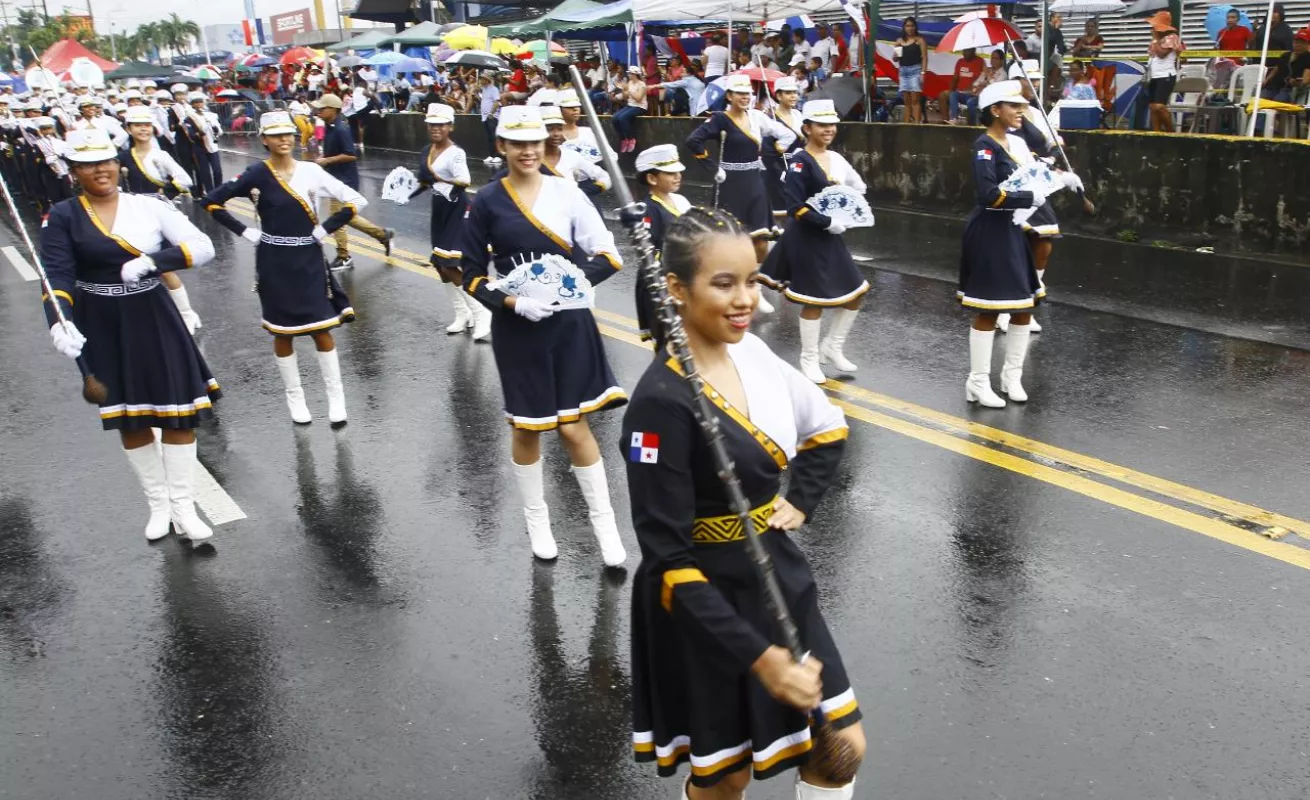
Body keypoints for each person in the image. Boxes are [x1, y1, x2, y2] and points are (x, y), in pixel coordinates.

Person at [622, 205, 864, 800]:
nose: (745, 300)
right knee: (725, 777)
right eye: (724, 283)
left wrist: (800, 500)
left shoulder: (752, 353)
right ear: (676, 289)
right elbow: (667, 561)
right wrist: (760, 657)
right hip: (701, 603)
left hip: (775, 576)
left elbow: (826, 427)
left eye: (752, 280)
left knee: (840, 751)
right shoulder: (658, 406)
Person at [460, 105, 628, 567]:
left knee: (574, 425)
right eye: (517, 143)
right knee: (527, 425)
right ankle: (537, 521)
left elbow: (608, 254)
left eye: (534, 142)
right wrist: (513, 302)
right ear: (502, 146)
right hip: (518, 327)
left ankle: (606, 527)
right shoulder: (486, 200)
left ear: (545, 143)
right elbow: (470, 274)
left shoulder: (568, 192)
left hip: (570, 322)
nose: (527, 151)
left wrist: (567, 286)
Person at [40, 128, 219, 542]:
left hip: (152, 314)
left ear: (117, 164)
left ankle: (184, 506)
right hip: (101, 321)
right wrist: (59, 320)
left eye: (105, 161)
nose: (99, 170)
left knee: (178, 412)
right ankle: (158, 506)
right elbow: (57, 275)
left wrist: (153, 262)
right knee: (130, 417)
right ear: (74, 171)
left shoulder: (149, 205)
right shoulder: (63, 215)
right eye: (87, 164)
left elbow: (202, 246)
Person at [200, 111, 366, 427]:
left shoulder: (311, 171)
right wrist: (245, 232)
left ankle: (336, 400)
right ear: (264, 139)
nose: (284, 139)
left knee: (321, 328)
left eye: (288, 133)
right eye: (276, 135)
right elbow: (211, 201)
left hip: (309, 258)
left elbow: (355, 200)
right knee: (282, 331)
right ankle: (296, 399)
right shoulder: (256, 173)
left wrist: (325, 228)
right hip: (273, 260)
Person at [959, 81, 1080, 408]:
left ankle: (1011, 377)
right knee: (989, 310)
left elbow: (1033, 175)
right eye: (1013, 106)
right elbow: (988, 194)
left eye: (1021, 106)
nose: (1020, 111)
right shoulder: (984, 146)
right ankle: (978, 382)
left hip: (1014, 229)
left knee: (1025, 307)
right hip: (990, 231)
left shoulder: (1016, 142)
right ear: (995, 110)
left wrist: (1060, 180)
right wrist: (1029, 197)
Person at [760, 99, 868, 383]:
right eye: (822, 125)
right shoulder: (799, 161)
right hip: (806, 237)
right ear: (807, 128)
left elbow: (858, 187)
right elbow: (795, 207)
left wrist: (849, 206)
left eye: (832, 124)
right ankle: (808, 358)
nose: (829, 129)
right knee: (814, 300)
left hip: (831, 237)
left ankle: (832, 346)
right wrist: (827, 221)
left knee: (857, 292)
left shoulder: (836, 158)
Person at [685, 74, 797, 271]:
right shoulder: (720, 119)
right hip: (729, 183)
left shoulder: (756, 117)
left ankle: (754, 278)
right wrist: (712, 167)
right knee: (729, 239)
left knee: (761, 240)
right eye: (740, 93)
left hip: (754, 183)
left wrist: (781, 146)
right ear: (729, 96)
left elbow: (786, 133)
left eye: (748, 94)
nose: (745, 97)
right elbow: (693, 140)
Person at [119, 106, 203, 335]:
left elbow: (185, 180)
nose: (143, 130)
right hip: (131, 213)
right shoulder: (122, 157)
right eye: (137, 126)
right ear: (129, 129)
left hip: (156, 214)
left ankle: (186, 313)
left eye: (146, 125)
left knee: (161, 267)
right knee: (132, 264)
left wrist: (165, 191)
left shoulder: (161, 156)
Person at [417, 102, 490, 341]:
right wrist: (405, 192)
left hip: (456, 209)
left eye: (441, 125)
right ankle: (462, 313)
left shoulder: (456, 153)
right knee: (439, 264)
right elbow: (423, 182)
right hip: (438, 209)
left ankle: (481, 312)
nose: (435, 128)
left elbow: (464, 180)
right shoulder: (426, 150)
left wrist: (438, 178)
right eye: (432, 124)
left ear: (451, 127)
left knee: (450, 264)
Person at [311, 93, 395, 271]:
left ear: (333, 110)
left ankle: (344, 256)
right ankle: (383, 235)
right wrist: (324, 157)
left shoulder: (341, 129)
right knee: (348, 217)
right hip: (334, 180)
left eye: (322, 108)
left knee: (337, 217)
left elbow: (351, 155)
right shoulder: (329, 127)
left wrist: (327, 160)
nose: (319, 111)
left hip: (344, 181)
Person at [633, 143, 691, 346]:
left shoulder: (680, 201)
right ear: (652, 178)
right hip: (660, 282)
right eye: (670, 173)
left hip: (682, 276)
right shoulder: (647, 210)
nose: (677, 176)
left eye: (678, 172)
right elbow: (649, 252)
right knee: (668, 341)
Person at [763, 75, 804, 215]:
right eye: (788, 93)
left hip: (797, 169)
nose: (793, 96)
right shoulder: (770, 119)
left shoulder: (799, 116)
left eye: (795, 92)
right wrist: (781, 172)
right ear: (779, 96)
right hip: (776, 172)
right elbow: (767, 153)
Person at [1145, 11, 1183, 133]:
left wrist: (1155, 40)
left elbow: (1162, 54)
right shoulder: (1156, 40)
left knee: (1159, 106)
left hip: (1166, 75)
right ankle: (1157, 132)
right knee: (1152, 107)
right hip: (1154, 76)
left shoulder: (1172, 37)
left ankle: (1170, 131)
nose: (1152, 29)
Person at [939, 48, 985, 124]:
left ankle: (963, 121)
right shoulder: (960, 61)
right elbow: (955, 78)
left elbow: (981, 80)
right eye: (963, 50)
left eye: (967, 50)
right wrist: (951, 90)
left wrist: (969, 90)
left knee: (956, 94)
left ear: (973, 51)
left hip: (972, 94)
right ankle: (948, 121)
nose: (964, 53)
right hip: (960, 93)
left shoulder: (980, 61)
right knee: (943, 95)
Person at [895, 18, 927, 124]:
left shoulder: (919, 40)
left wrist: (923, 73)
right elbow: (896, 59)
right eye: (907, 26)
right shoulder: (899, 41)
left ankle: (916, 124)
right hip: (903, 71)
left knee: (915, 100)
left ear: (915, 27)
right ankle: (906, 123)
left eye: (912, 26)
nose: (910, 28)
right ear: (904, 28)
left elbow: (924, 58)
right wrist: (895, 56)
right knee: (906, 101)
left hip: (915, 70)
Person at [614, 65, 649, 153]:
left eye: (630, 73)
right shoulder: (629, 83)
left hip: (640, 107)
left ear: (634, 74)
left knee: (623, 118)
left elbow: (638, 98)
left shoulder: (642, 84)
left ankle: (631, 138)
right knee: (615, 118)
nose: (628, 75)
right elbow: (625, 97)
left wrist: (629, 90)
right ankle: (623, 139)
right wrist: (623, 89)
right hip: (630, 105)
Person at [478, 73, 502, 166]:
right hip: (485, 117)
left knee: (494, 136)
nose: (480, 80)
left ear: (487, 80)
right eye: (480, 78)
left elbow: (496, 102)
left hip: (492, 116)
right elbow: (482, 100)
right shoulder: (484, 89)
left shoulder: (494, 89)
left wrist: (491, 113)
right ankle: (491, 155)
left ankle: (498, 156)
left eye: (482, 79)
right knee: (489, 137)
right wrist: (475, 93)